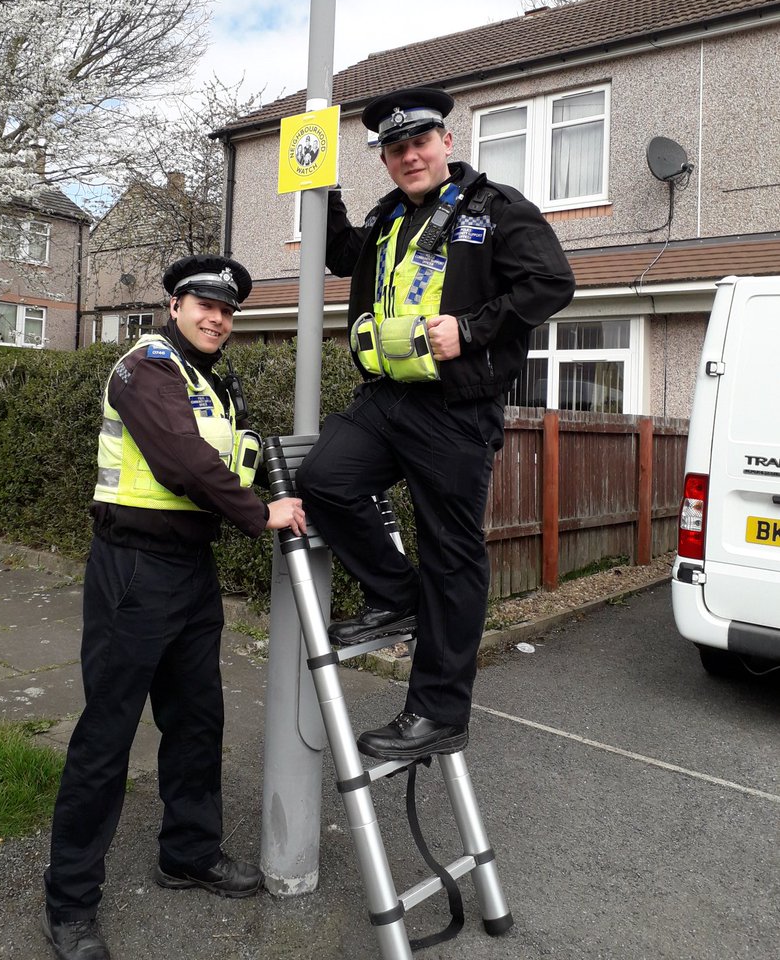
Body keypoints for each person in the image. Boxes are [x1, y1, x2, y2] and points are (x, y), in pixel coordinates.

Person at [296, 86, 575, 764]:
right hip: (387, 399)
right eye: (395, 150)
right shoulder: (388, 218)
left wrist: (474, 329)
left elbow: (551, 283)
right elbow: (340, 253)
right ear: (386, 162)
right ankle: (398, 596)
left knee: (453, 554)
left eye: (419, 143)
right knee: (323, 479)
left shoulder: (496, 209)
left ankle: (438, 712)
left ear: (447, 144)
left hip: (456, 409)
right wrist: (318, 174)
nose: (409, 156)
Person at [42, 255, 306, 960]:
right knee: (107, 735)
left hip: (191, 568)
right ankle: (69, 903)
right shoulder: (145, 366)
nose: (217, 318)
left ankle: (188, 852)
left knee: (197, 719)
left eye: (227, 310)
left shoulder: (211, 383)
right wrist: (262, 514)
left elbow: (228, 458)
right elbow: (183, 464)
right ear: (174, 302)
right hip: (133, 570)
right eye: (204, 304)